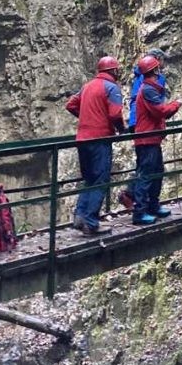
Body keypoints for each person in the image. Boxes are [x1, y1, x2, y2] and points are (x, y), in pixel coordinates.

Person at [65, 56, 126, 235]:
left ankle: (80, 216)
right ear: (113, 71)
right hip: (100, 139)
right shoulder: (111, 87)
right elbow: (115, 114)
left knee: (89, 179)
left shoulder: (87, 86)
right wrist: (121, 129)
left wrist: (86, 118)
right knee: (100, 180)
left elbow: (71, 105)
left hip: (82, 139)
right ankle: (91, 223)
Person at [132, 54, 182, 225]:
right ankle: (139, 212)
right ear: (155, 69)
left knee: (156, 172)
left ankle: (152, 205)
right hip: (147, 139)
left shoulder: (149, 88)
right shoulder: (148, 90)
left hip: (151, 138)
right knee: (146, 175)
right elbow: (161, 111)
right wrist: (176, 104)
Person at [119, 48, 168, 209]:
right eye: (161, 61)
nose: (162, 65)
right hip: (147, 125)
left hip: (138, 122)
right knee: (149, 166)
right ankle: (139, 202)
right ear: (156, 61)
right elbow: (158, 105)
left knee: (145, 165)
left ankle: (137, 197)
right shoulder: (151, 79)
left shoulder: (139, 76)